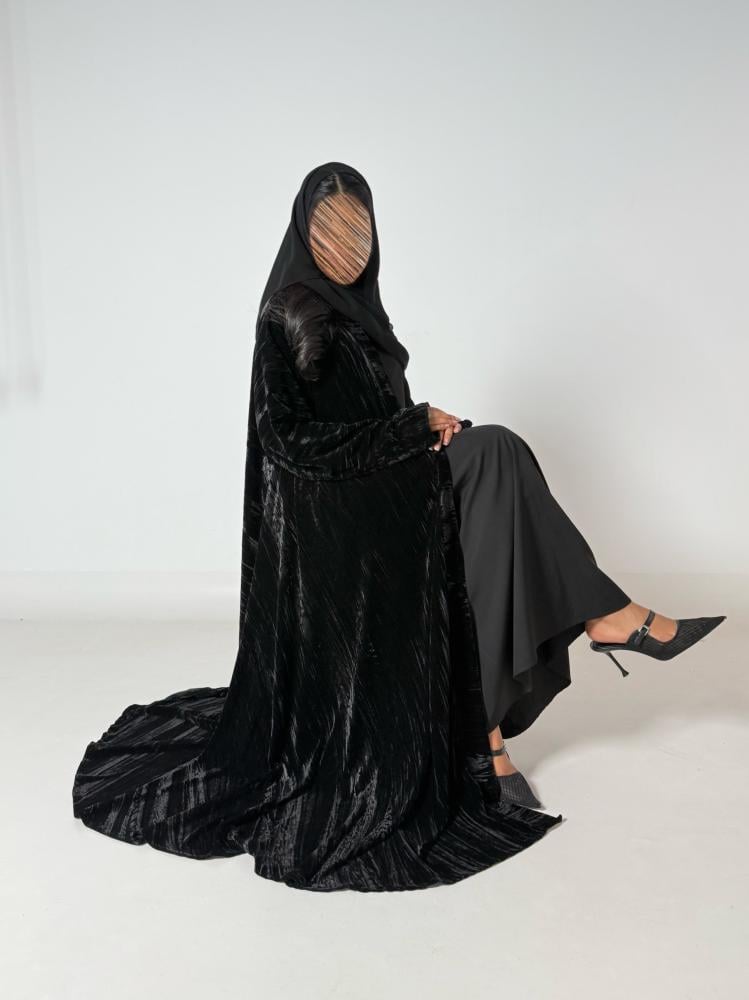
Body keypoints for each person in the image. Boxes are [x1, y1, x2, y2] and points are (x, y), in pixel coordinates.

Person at [71, 160, 725, 891]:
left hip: (378, 485)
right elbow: (288, 442)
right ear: (303, 232)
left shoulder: (356, 310)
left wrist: (424, 430)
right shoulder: (292, 311)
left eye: (359, 229)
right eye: (329, 229)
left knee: (493, 477)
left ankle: (495, 723)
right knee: (498, 456)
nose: (346, 246)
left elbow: (364, 417)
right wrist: (409, 430)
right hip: (331, 520)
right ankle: (601, 625)